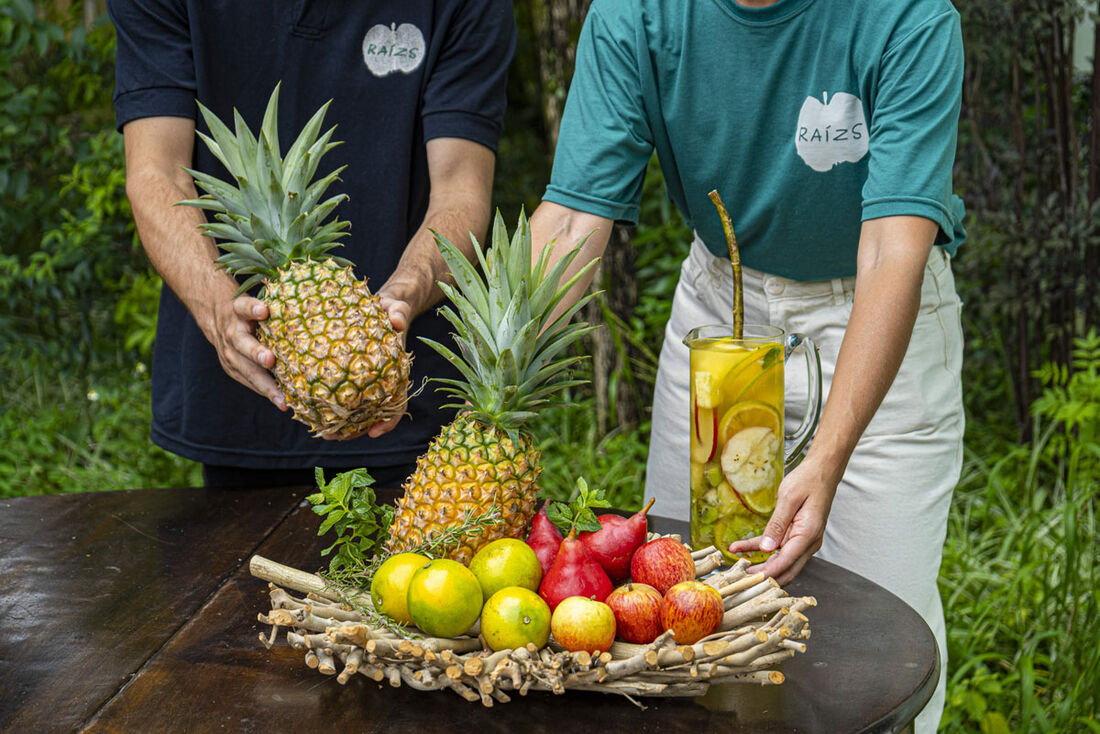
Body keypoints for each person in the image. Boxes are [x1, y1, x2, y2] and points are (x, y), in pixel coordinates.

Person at [529, 0, 965, 730]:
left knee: (875, 640)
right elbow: (572, 220)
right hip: (722, 309)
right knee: (686, 619)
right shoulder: (636, 15)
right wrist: (485, 395)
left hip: (875, 310)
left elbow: (893, 248)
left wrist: (826, 458)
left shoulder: (909, 17)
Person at [107, 1, 516, 488]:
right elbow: (156, 172)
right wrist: (219, 308)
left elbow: (462, 191)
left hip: (407, 389)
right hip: (236, 389)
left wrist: (405, 293)